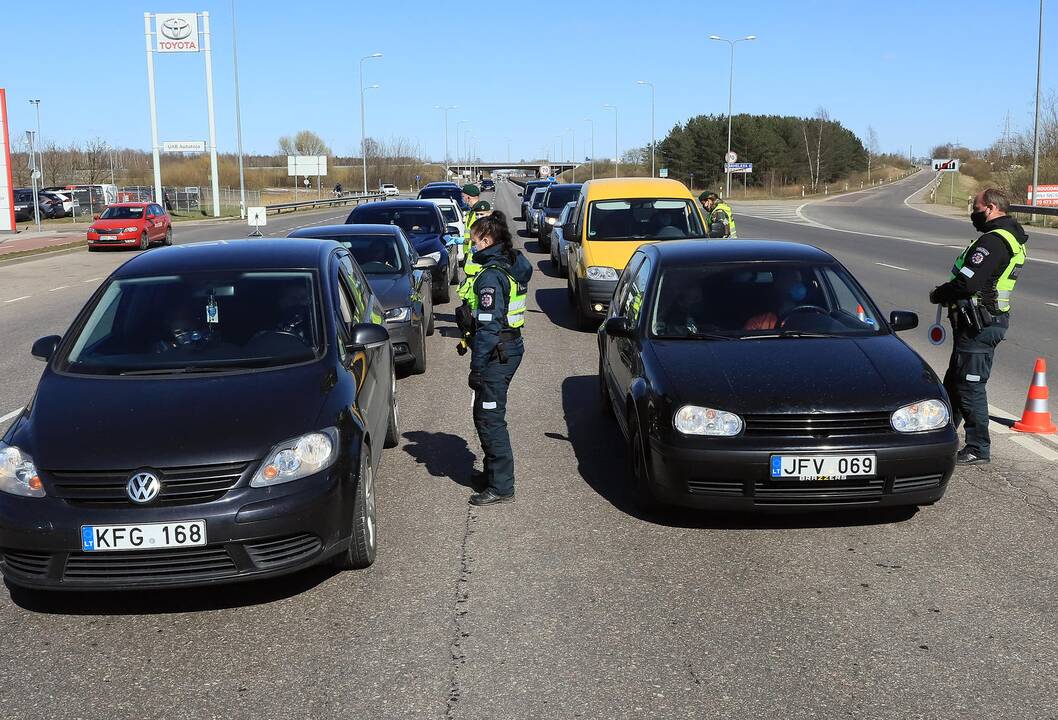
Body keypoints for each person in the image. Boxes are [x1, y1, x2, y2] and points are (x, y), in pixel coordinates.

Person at [929, 187, 1027, 466]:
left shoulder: (994, 241)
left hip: (979, 323)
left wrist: (939, 293)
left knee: (970, 386)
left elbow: (968, 283)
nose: (974, 212)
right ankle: (943, 435)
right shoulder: (1011, 237)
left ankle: (978, 447)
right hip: (983, 321)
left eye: (976, 207)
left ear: (992, 208)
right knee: (957, 382)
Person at [462, 211, 533, 505]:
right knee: (485, 413)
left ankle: (502, 487)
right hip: (507, 348)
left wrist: (477, 368)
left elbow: (490, 328)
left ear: (488, 240)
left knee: (490, 418)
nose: (472, 247)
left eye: (475, 241)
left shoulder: (491, 276)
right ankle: (493, 474)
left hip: (497, 353)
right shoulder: (507, 263)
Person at [461, 184, 481, 261]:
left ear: (468, 198)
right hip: (470, 255)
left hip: (477, 258)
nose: (462, 199)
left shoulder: (480, 213)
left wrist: (462, 240)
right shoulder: (471, 212)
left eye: (463, 197)